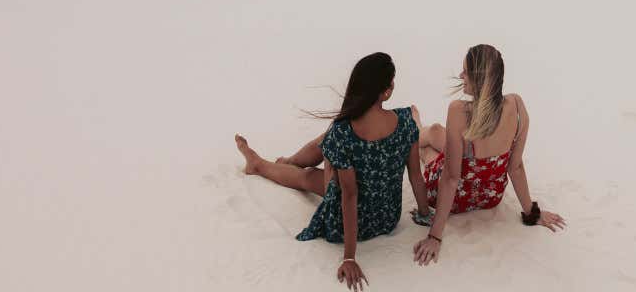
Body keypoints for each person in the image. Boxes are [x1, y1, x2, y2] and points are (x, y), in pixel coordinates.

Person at [235, 52, 430, 290]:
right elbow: (415, 176)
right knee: (332, 141)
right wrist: (423, 213)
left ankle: (262, 165)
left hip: (345, 224)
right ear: (387, 90)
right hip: (386, 217)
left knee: (313, 169)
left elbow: (349, 195)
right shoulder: (407, 122)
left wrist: (349, 257)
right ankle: (287, 161)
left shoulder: (343, 132)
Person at [412, 44, 567, 266]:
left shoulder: (459, 110)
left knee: (431, 139)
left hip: (456, 197)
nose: (461, 75)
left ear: (478, 79)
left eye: (465, 71)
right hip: (490, 195)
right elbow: (516, 167)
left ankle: (416, 130)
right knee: (438, 139)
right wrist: (532, 212)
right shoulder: (517, 105)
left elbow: (451, 178)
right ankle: (419, 135)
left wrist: (434, 236)